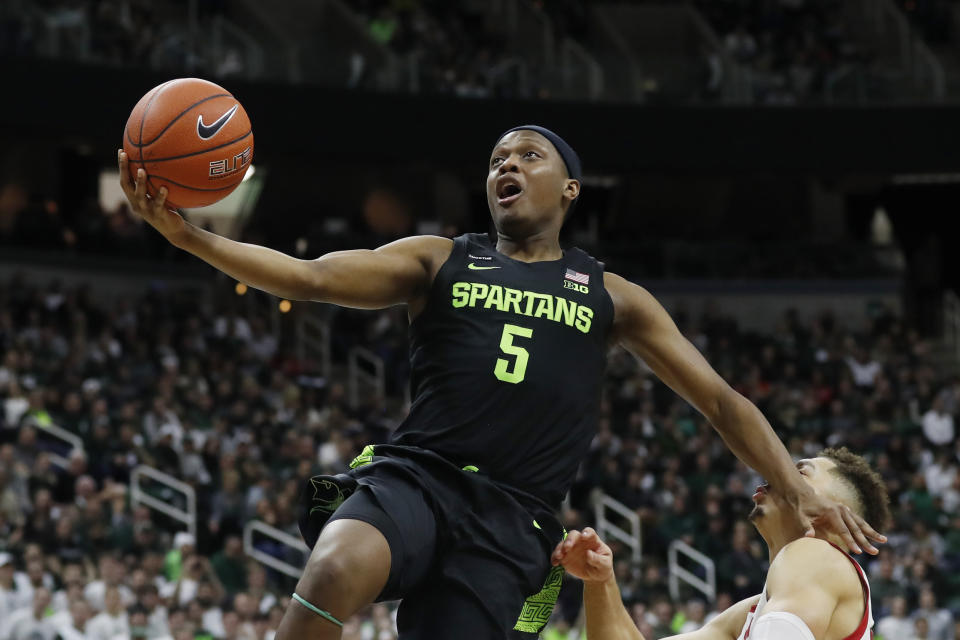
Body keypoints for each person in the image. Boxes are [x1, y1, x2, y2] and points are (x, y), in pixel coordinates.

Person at [117, 125, 884, 639]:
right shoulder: (439, 258)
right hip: (420, 478)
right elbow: (311, 278)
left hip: (514, 521)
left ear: (571, 190)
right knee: (335, 565)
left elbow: (720, 400)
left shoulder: (611, 296)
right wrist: (192, 236)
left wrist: (794, 483)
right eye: (496, 162)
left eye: (527, 157)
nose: (506, 167)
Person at [552, 448, 892, 640]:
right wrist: (601, 584)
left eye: (800, 473)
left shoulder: (816, 553)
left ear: (839, 514)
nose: (780, 473)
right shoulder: (750, 614)